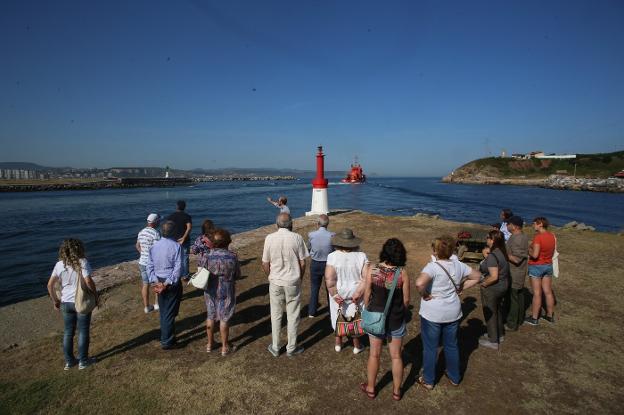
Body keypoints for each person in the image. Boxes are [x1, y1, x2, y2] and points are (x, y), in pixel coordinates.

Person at [415, 236, 481, 390]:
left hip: (432, 313)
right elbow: (477, 276)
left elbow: (419, 282)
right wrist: (461, 288)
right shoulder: (459, 265)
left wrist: (424, 294)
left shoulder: (432, 267)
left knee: (430, 347)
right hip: (453, 312)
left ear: (435, 250)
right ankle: (454, 376)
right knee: (451, 345)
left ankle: (428, 380)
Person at [360, 238, 410, 401]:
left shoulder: (373, 269)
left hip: (375, 318)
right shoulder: (402, 273)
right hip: (395, 319)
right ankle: (396, 391)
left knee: (374, 355)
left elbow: (367, 293)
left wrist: (368, 308)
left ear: (384, 252)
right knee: (396, 356)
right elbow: (406, 300)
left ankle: (371, 388)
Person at [262, 213, 309, 357]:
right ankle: (291, 347)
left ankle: (275, 346)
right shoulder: (297, 238)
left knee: (276, 314)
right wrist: (299, 278)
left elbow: (265, 262)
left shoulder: (269, 238)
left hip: (276, 281)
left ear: (277, 224)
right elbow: (303, 262)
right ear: (291, 224)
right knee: (293, 314)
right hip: (292, 281)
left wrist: (270, 276)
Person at [46, 239, 98, 370]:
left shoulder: (59, 265)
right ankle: (83, 361)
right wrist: (95, 295)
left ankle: (69, 362)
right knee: (83, 331)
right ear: (79, 249)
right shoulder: (82, 262)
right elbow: (88, 281)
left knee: (68, 332)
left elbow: (49, 285)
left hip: (65, 302)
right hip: (80, 302)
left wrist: (55, 301)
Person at [325, 228, 367, 354]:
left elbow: (329, 279)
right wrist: (358, 293)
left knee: (338, 315)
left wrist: (335, 294)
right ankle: (357, 346)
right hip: (356, 293)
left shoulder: (332, 257)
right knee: (355, 317)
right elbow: (366, 277)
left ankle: (338, 343)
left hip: (339, 292)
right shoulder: (362, 256)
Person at [203, 229, 240, 356]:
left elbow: (202, 272)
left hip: (210, 289)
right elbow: (237, 274)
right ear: (227, 242)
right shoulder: (232, 256)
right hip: (227, 288)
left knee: (210, 315)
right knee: (224, 317)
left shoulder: (207, 256)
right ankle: (224, 347)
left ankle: (209, 344)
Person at [147, 221, 183, 349]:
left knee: (164, 311)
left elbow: (149, 266)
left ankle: (168, 336)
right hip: (170, 282)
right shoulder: (176, 247)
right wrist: (166, 283)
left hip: (159, 280)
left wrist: (155, 281)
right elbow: (178, 269)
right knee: (169, 312)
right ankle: (167, 342)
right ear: (173, 232)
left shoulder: (154, 246)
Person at [479, 229, 511, 350]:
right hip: (503, 286)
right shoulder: (502, 252)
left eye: (488, 237)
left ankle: (493, 340)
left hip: (493, 288)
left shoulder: (493, 256)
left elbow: (493, 276)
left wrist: (484, 284)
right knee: (497, 310)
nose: (486, 239)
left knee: (490, 313)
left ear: (492, 240)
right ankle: (499, 334)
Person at [526, 216, 557, 325]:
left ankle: (534, 318)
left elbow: (535, 255)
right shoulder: (552, 236)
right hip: (548, 265)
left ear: (540, 224)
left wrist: (528, 250)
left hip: (536, 266)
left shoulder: (538, 237)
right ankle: (549, 315)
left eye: (534, 223)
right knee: (548, 292)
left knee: (537, 293)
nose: (532, 225)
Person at [307, 214, 334, 317]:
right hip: (328, 264)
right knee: (330, 288)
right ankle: (332, 311)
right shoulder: (332, 235)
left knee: (314, 287)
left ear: (317, 224)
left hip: (315, 263)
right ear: (327, 224)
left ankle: (312, 312)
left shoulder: (311, 235)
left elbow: (308, 248)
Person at [505, 216, 529, 331]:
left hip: (515, 273)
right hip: (518, 272)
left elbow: (516, 259)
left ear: (514, 226)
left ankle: (512, 323)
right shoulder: (521, 236)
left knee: (513, 297)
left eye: (508, 224)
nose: (506, 226)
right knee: (519, 295)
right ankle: (519, 319)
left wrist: (502, 253)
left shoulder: (517, 239)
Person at [136, 213, 161, 313]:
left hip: (142, 262)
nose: (160, 222)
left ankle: (146, 307)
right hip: (152, 263)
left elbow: (137, 245)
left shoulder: (141, 232)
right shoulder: (156, 233)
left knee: (145, 284)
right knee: (156, 283)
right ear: (155, 222)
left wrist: (143, 253)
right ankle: (157, 304)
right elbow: (157, 249)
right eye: (159, 220)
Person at [166, 200, 192, 279]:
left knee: (173, 257)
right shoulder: (187, 216)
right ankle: (185, 275)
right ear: (184, 207)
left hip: (173, 240)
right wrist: (183, 237)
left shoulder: (171, 216)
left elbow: (168, 228)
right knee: (185, 257)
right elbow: (189, 227)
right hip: (185, 240)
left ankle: (174, 274)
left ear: (177, 206)